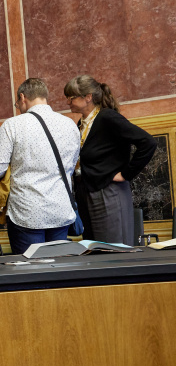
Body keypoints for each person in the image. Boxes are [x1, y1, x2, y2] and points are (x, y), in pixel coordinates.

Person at [0, 78, 80, 255]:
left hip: (27, 211)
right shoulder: (70, 125)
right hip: (60, 209)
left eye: (17, 103)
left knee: (30, 272)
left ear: (23, 97)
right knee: (60, 272)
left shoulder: (13, 125)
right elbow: (72, 165)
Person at [64, 75, 157, 245]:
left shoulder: (107, 117)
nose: (67, 102)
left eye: (71, 97)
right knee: (93, 250)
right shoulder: (81, 123)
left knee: (113, 250)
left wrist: (126, 174)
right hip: (86, 191)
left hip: (109, 192)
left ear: (88, 97)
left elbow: (148, 142)